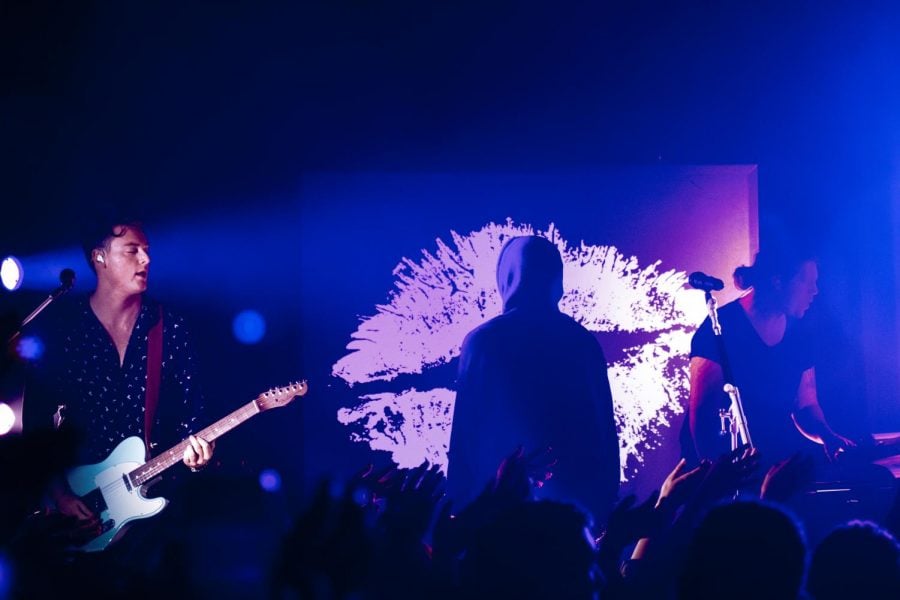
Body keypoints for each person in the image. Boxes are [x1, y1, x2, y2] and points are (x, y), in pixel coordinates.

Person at [22, 219, 213, 573]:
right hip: (78, 510)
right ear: (100, 258)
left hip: (154, 516)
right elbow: (35, 422)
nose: (146, 260)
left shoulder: (168, 327)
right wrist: (62, 494)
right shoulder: (67, 329)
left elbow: (193, 414)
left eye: (147, 252)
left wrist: (197, 456)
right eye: (132, 251)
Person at [447, 235, 620, 524]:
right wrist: (603, 504)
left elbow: (466, 431)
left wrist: (459, 503)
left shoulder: (483, 341)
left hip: (498, 510)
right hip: (574, 512)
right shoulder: (582, 341)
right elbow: (604, 427)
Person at [685, 241, 854, 465]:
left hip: (767, 463)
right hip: (719, 469)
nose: (815, 291)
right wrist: (716, 476)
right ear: (778, 282)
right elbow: (704, 418)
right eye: (807, 282)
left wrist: (828, 436)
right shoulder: (719, 329)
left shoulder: (800, 335)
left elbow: (805, 406)